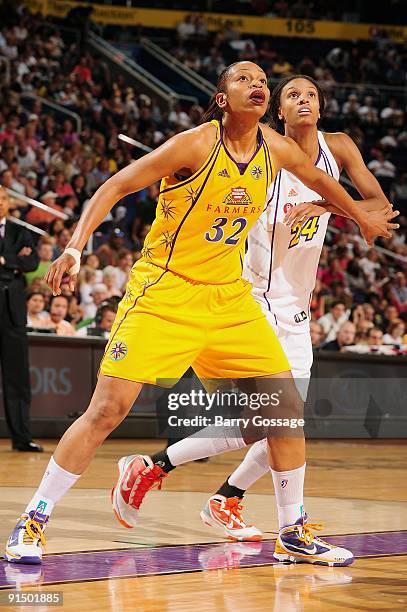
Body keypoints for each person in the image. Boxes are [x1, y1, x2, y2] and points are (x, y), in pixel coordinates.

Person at [5, 62, 396, 566]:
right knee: (107, 410)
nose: (257, 85)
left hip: (230, 297)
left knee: (283, 411)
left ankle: (293, 531)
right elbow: (114, 188)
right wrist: (77, 247)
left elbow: (322, 181)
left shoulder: (276, 149)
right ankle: (35, 517)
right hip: (166, 294)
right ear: (221, 98)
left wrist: (359, 214)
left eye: (261, 81)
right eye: (243, 80)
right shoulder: (193, 144)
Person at [114, 74, 397, 560]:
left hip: (298, 305)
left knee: (271, 424)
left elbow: (378, 206)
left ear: (322, 107)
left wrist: (322, 204)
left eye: (311, 94)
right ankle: (278, 525)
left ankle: (185, 479)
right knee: (283, 422)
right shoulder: (266, 152)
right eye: (293, 95)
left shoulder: (339, 147)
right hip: (251, 300)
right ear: (278, 113)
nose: (303, 100)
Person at [0, 187, 43, 452]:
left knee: (17, 377)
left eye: (3, 198)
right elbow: (21, 263)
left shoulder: (19, 231)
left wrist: (4, 259)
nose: (0, 203)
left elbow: (32, 263)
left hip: (12, 312)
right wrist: (14, 262)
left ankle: (22, 437)